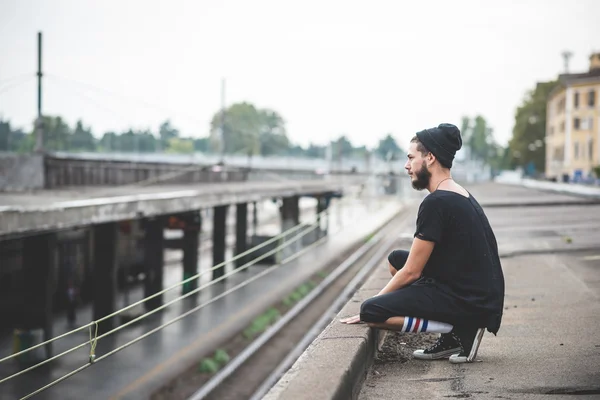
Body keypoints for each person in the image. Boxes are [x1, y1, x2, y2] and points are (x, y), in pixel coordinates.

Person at [341, 123, 505, 363]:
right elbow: (411, 264)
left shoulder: (436, 203)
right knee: (396, 258)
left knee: (371, 313)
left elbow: (411, 272)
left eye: (410, 158)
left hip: (469, 302)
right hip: (478, 292)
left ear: (430, 157)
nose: (406, 166)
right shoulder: (458, 193)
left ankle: (458, 329)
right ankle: (453, 336)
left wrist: (375, 302)